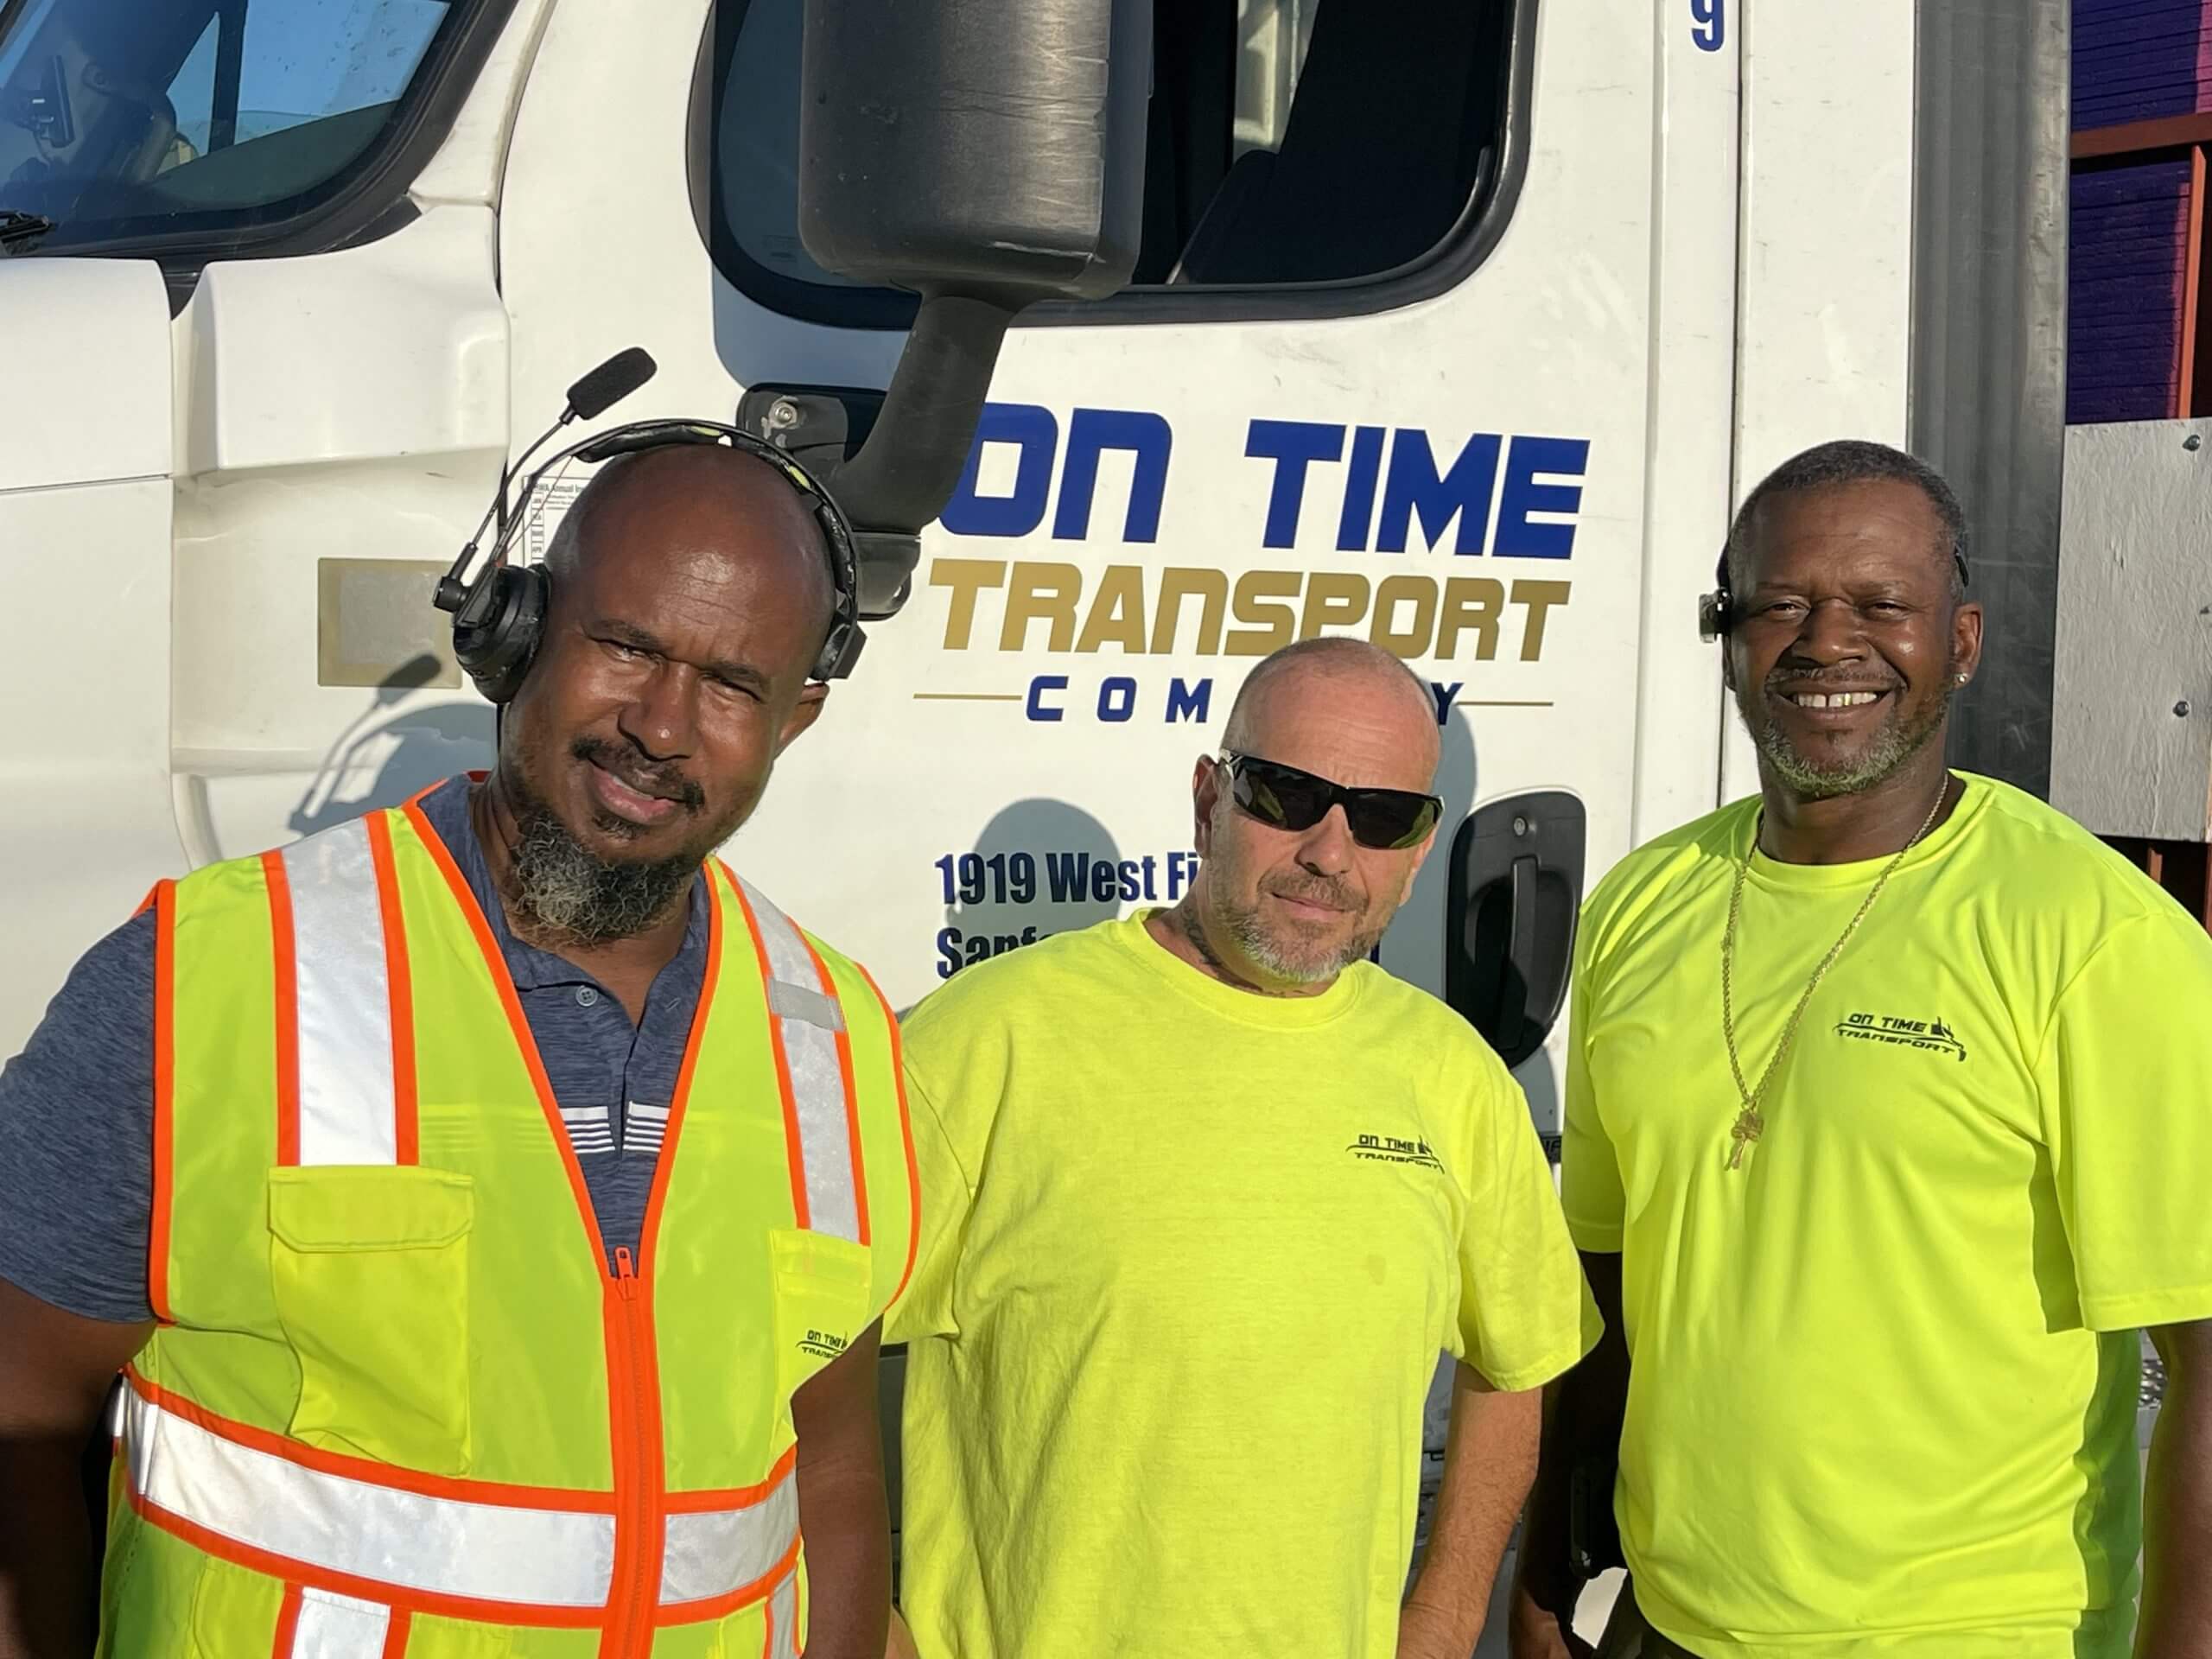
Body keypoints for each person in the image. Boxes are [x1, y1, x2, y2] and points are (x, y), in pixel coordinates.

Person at [0, 441, 918, 1659]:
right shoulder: (208, 979)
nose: (661, 726)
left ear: (794, 716)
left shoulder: (838, 1033)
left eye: (732, 684)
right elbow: (18, 1412)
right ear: (518, 627)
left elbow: (833, 1461)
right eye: (629, 645)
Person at [1509, 440, 2212, 1659]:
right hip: (1675, 1626)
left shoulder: (2094, 935)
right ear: (1727, 636)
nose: (1829, 642)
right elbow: (1612, 1286)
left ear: (1964, 642)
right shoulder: (1644, 901)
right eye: (1780, 603)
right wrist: (1557, 1564)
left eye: (1883, 605)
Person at [885, 637, 1597, 1659]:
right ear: (1209, 798)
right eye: (1286, 794)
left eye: (1383, 817)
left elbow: (1520, 1360)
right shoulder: (989, 1038)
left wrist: (1441, 1621)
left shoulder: (1453, 1076)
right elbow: (780, 1355)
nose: (1329, 853)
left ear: (1420, 848)